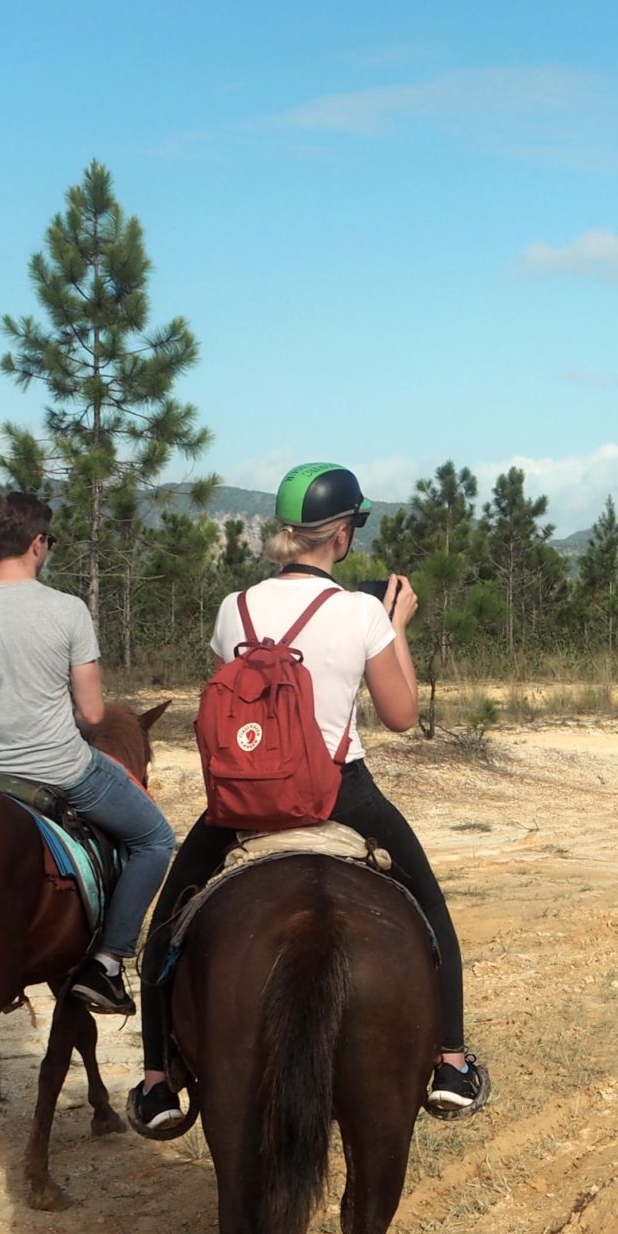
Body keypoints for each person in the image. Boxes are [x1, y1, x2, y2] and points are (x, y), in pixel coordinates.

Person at [130, 462, 484, 1134]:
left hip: (244, 799)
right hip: (338, 793)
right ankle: (451, 1061)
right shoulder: (359, 612)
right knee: (431, 912)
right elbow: (402, 713)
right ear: (342, 535)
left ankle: (157, 1079)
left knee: (170, 922)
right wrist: (396, 623)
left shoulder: (233, 607)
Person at [0, 488, 177, 1013]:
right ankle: (108, 962)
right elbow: (92, 717)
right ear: (39, 543)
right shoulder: (67, 610)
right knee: (156, 838)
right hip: (59, 768)